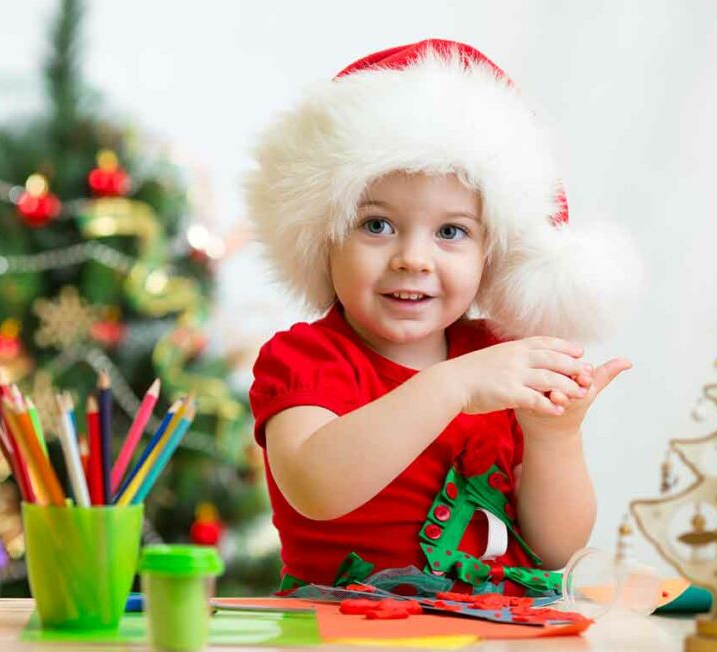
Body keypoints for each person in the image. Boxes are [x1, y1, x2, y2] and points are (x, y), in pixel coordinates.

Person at [246, 39, 638, 594]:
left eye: (451, 232)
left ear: (491, 255)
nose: (412, 258)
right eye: (377, 225)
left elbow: (559, 548)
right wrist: (452, 386)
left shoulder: (498, 357)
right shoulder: (307, 357)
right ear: (324, 236)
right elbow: (316, 485)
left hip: (490, 635)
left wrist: (554, 439)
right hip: (344, 635)